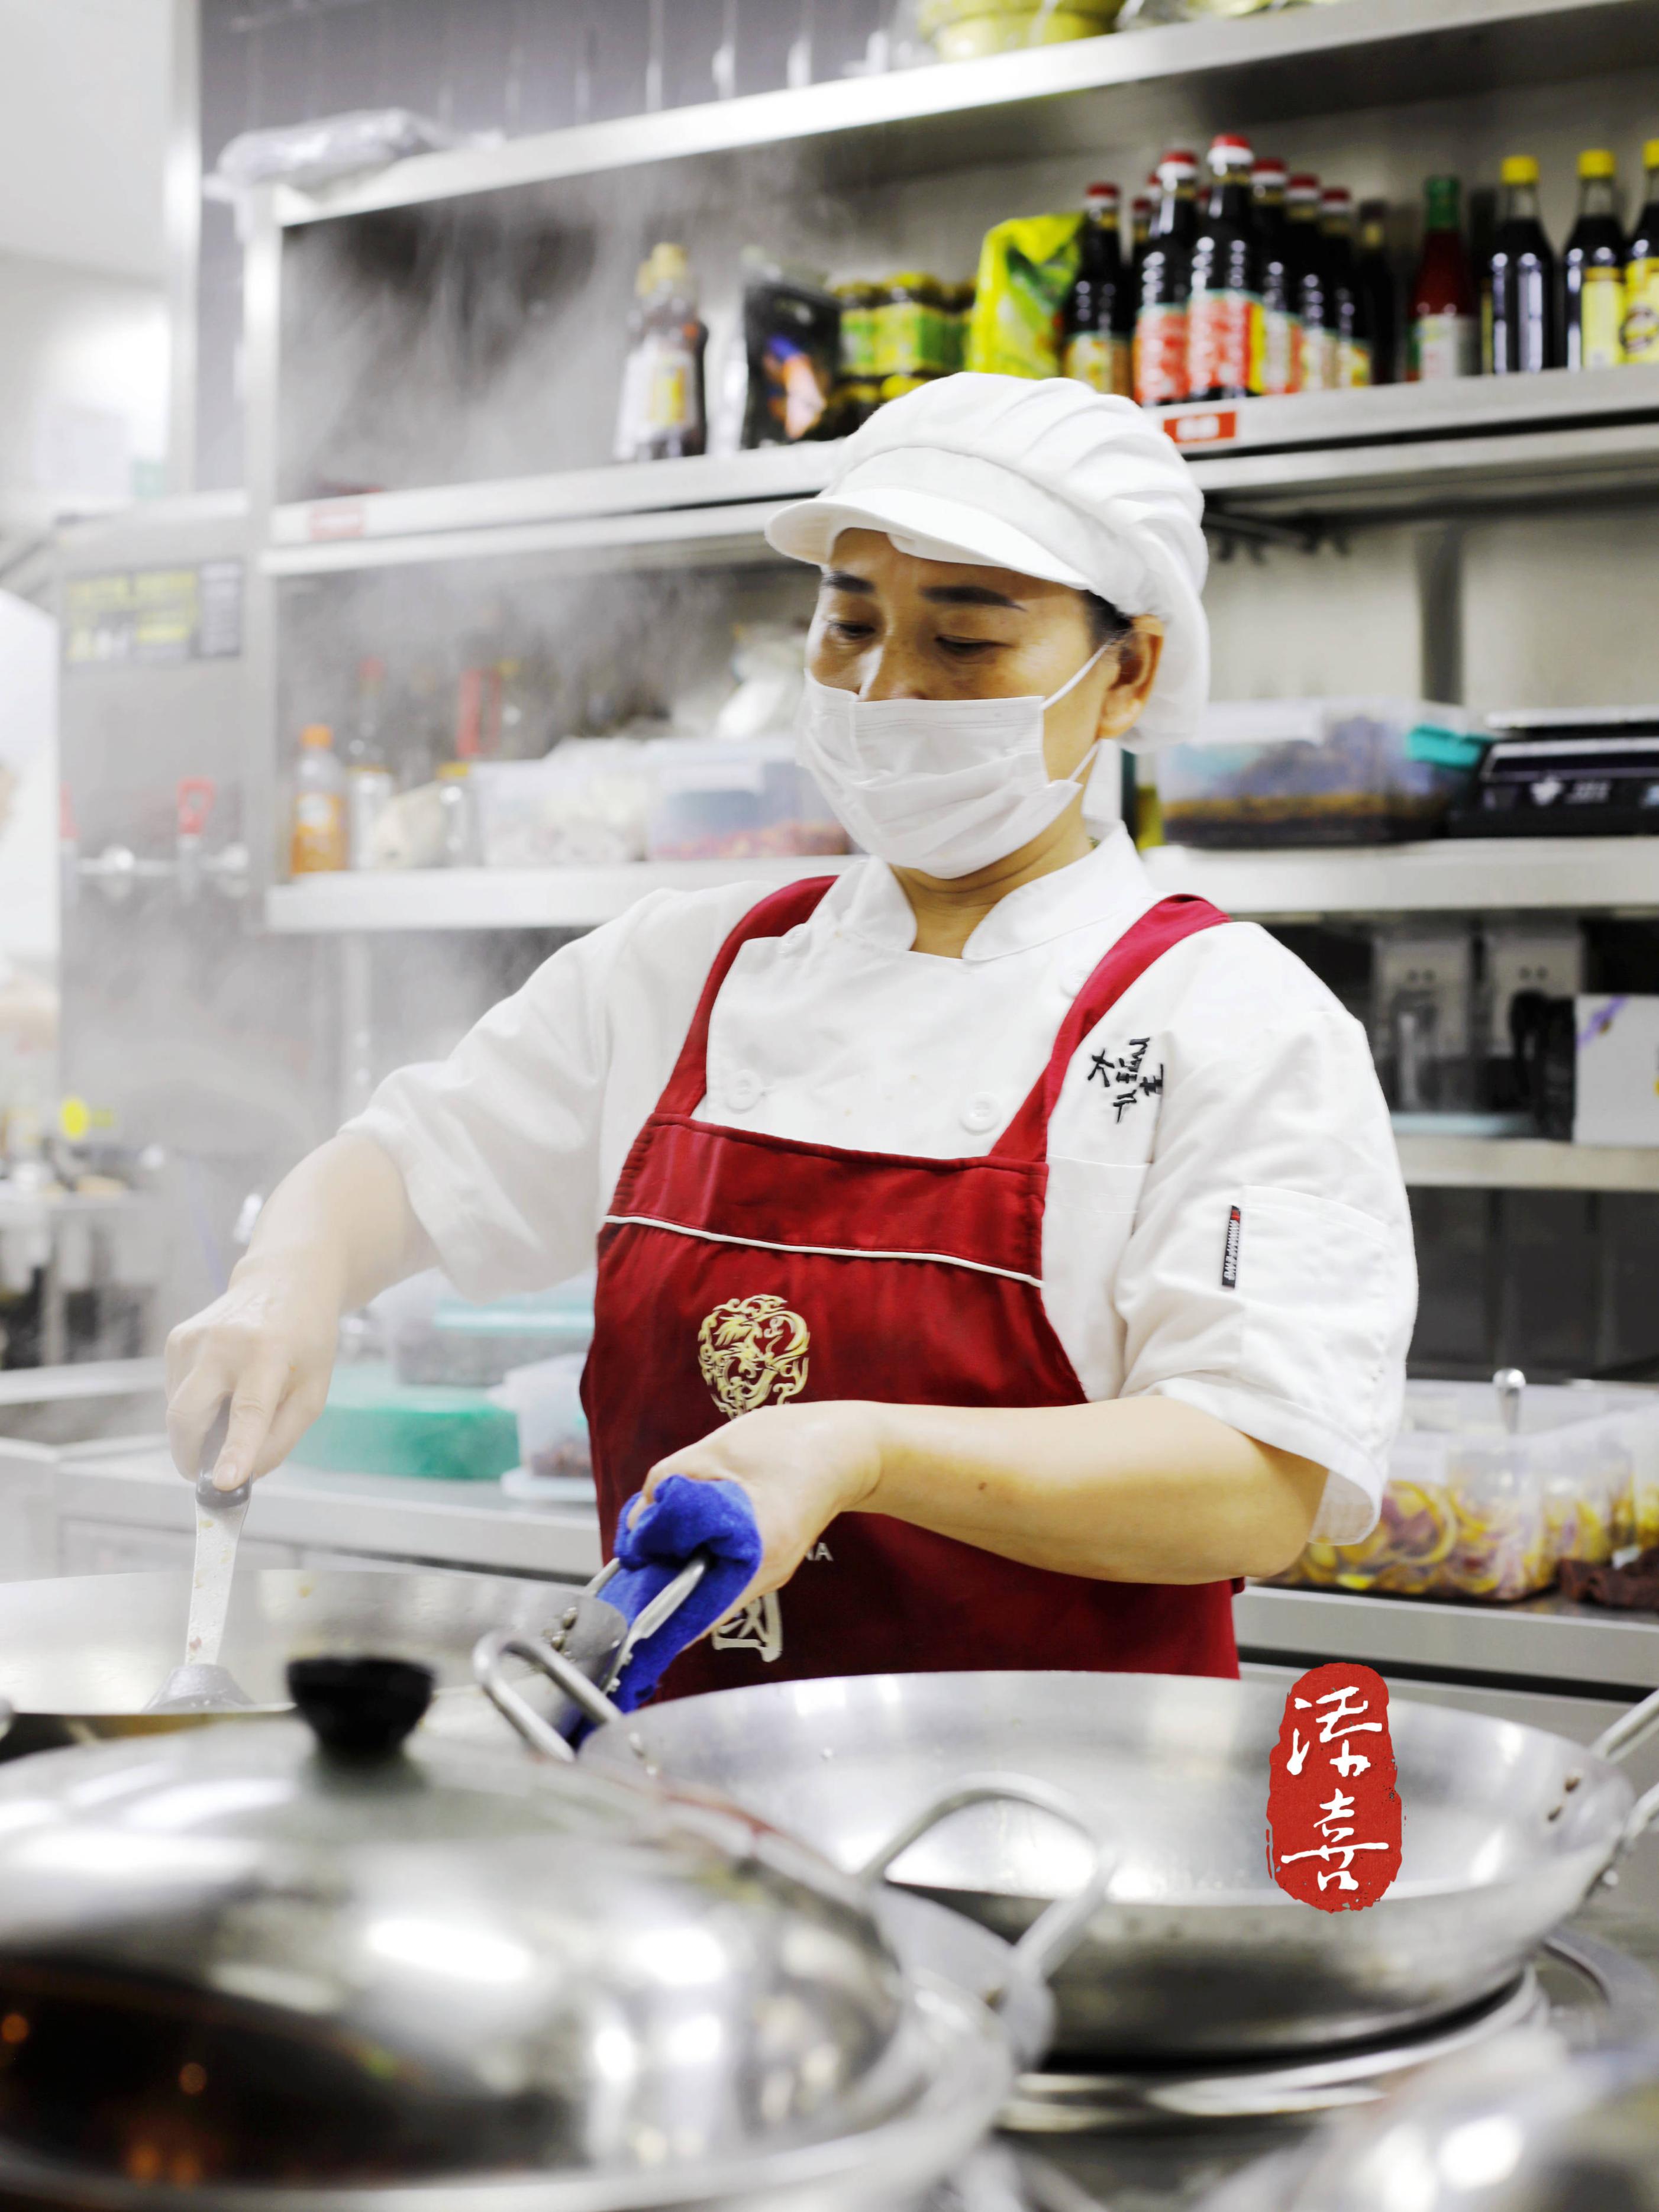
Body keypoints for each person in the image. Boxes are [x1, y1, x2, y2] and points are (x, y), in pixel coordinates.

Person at [166, 374, 1414, 1690]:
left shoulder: (1229, 1019)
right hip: (680, 1786)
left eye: (965, 641)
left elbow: (1254, 1482)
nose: (887, 686)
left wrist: (865, 1453)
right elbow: (404, 1167)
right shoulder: (682, 967)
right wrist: (288, 1278)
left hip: (1051, 1801)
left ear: (1128, 674)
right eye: (849, 625)